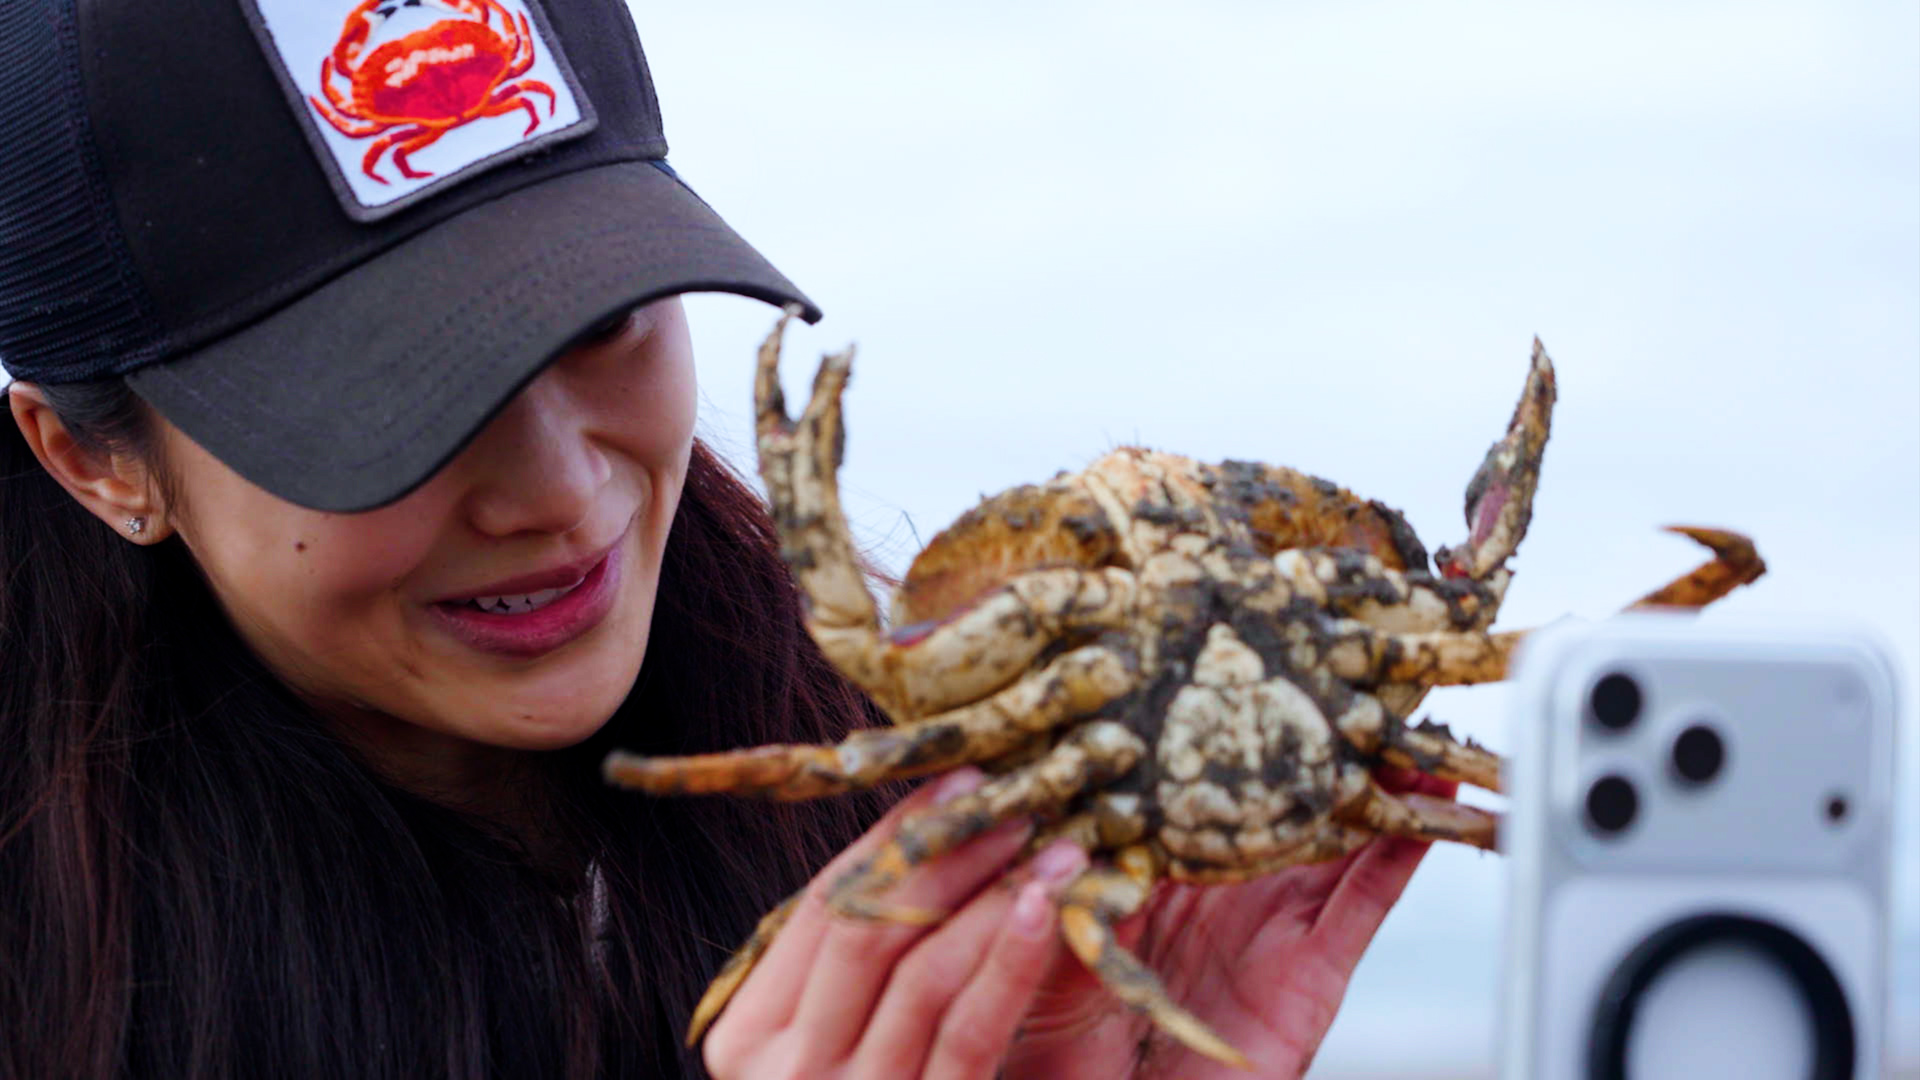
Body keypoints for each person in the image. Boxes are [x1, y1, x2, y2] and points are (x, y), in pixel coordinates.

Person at [0, 0, 1455, 1076]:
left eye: (600, 317)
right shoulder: (53, 980)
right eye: (394, 402)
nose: (564, 494)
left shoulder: (920, 797)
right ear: (87, 459)